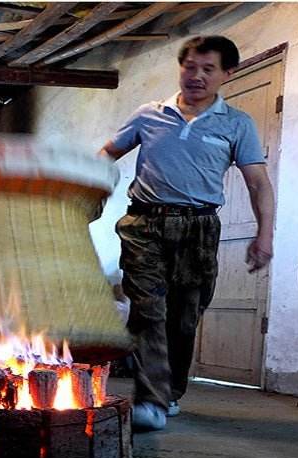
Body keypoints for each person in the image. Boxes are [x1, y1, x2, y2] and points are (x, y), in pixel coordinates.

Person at [99, 36, 275, 431]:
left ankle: (170, 391)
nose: (196, 76)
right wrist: (82, 182)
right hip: (144, 223)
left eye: (207, 69)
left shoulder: (237, 124)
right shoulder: (149, 114)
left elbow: (258, 184)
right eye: (189, 67)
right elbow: (108, 153)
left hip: (199, 228)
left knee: (183, 318)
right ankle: (151, 400)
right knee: (147, 311)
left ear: (228, 74)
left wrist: (264, 235)